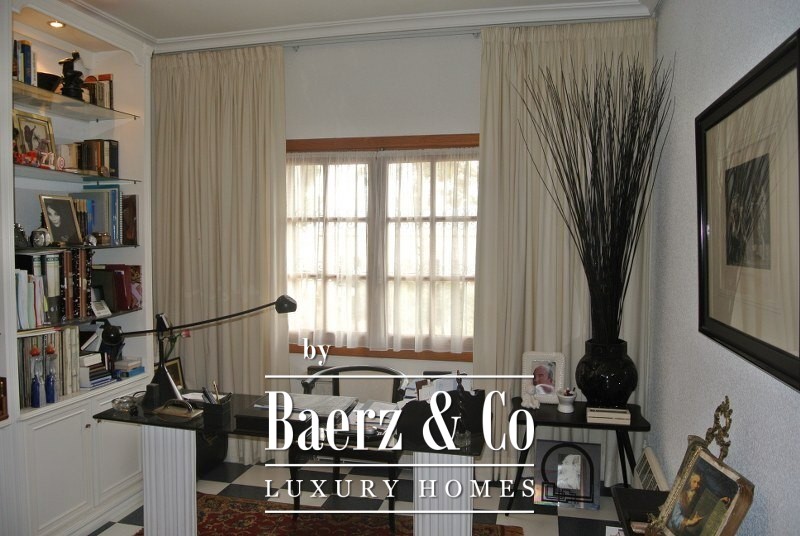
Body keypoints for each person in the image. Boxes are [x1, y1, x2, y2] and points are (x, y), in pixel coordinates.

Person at [668, 471, 731, 535]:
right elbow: (675, 518)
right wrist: (691, 522)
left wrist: (720, 501)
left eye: (698, 483)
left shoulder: (698, 496)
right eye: (694, 482)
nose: (696, 485)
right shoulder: (681, 496)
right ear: (689, 482)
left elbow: (706, 506)